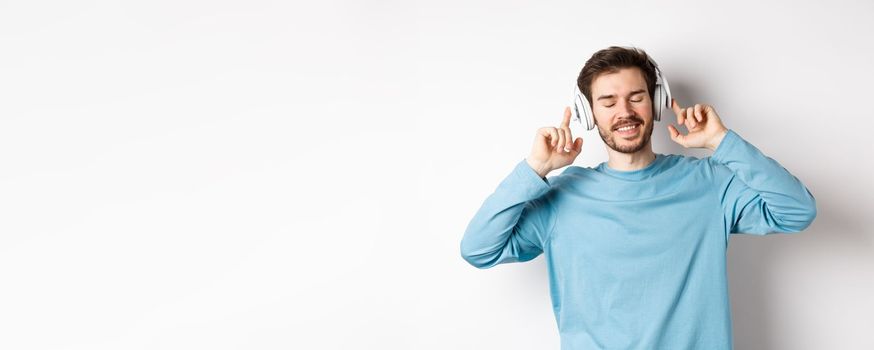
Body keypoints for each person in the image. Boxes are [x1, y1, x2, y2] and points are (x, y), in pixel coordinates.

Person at [459, 46, 817, 349]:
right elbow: (478, 249)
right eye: (608, 101)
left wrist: (723, 143)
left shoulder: (708, 182)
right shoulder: (562, 196)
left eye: (636, 97)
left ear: (656, 102)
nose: (624, 112)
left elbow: (797, 210)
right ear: (589, 113)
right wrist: (535, 168)